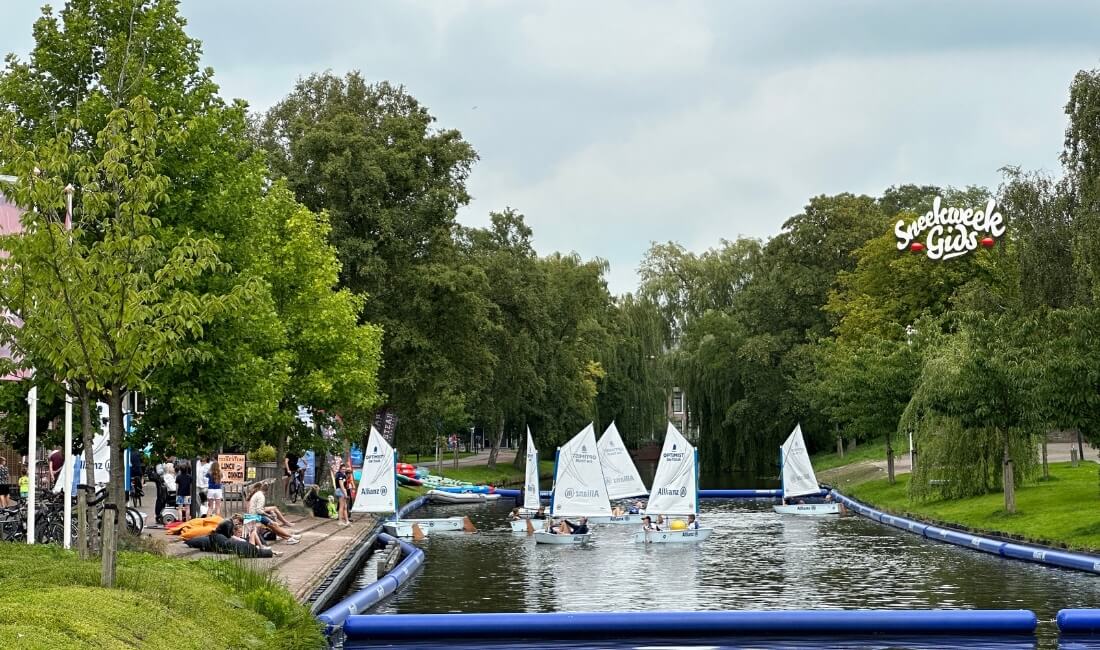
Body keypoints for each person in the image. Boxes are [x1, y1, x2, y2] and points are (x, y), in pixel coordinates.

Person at [332, 461, 350, 526]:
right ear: (340, 469)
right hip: (340, 491)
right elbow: (341, 485)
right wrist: (345, 494)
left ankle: (347, 521)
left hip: (341, 491)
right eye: (342, 469)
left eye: (344, 469)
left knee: (345, 507)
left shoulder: (342, 475)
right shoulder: (340, 475)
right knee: (341, 507)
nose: (344, 470)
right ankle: (340, 521)